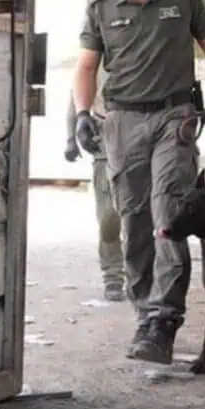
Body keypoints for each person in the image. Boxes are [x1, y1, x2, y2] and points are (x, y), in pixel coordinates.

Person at [72, 0, 205, 365]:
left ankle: (164, 319)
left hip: (174, 117)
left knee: (169, 213)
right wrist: (82, 114)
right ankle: (146, 315)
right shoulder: (100, 7)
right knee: (135, 220)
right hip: (122, 122)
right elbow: (86, 66)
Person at [64, 67, 127, 302]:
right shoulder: (92, 64)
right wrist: (71, 139)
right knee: (108, 217)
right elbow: (75, 100)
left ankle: (140, 275)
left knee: (141, 218)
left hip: (139, 144)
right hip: (104, 147)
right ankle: (113, 276)